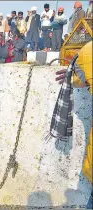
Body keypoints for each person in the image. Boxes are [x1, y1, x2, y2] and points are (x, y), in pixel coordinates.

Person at [52, 41, 92, 209]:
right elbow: (84, 79)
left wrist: (71, 76)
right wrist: (72, 76)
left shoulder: (88, 51)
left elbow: (84, 78)